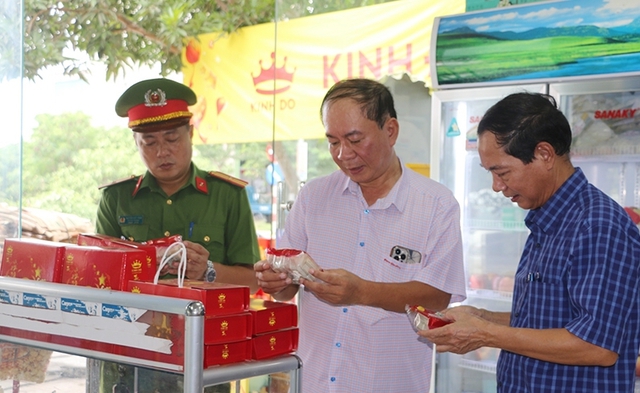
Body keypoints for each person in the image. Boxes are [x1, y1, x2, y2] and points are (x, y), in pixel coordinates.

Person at [254, 78, 466, 392]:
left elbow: (437, 297)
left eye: (354, 139)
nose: (343, 154)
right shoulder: (313, 197)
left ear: (390, 130)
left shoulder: (436, 206)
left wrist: (362, 292)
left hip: (389, 383)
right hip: (313, 381)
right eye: (333, 141)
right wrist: (276, 282)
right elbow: (285, 291)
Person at [420, 92, 640, 392]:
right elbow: (547, 318)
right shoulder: (547, 219)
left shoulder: (597, 225)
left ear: (544, 155)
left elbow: (596, 346)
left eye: (502, 172)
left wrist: (486, 334)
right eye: (491, 174)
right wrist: (482, 317)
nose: (497, 186)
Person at [94, 78, 261, 393]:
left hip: (204, 356)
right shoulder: (116, 198)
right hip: (131, 357)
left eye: (172, 138)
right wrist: (143, 263)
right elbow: (98, 278)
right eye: (150, 143)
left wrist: (208, 271)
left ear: (191, 134)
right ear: (136, 144)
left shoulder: (226, 195)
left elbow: (252, 281)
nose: (162, 152)